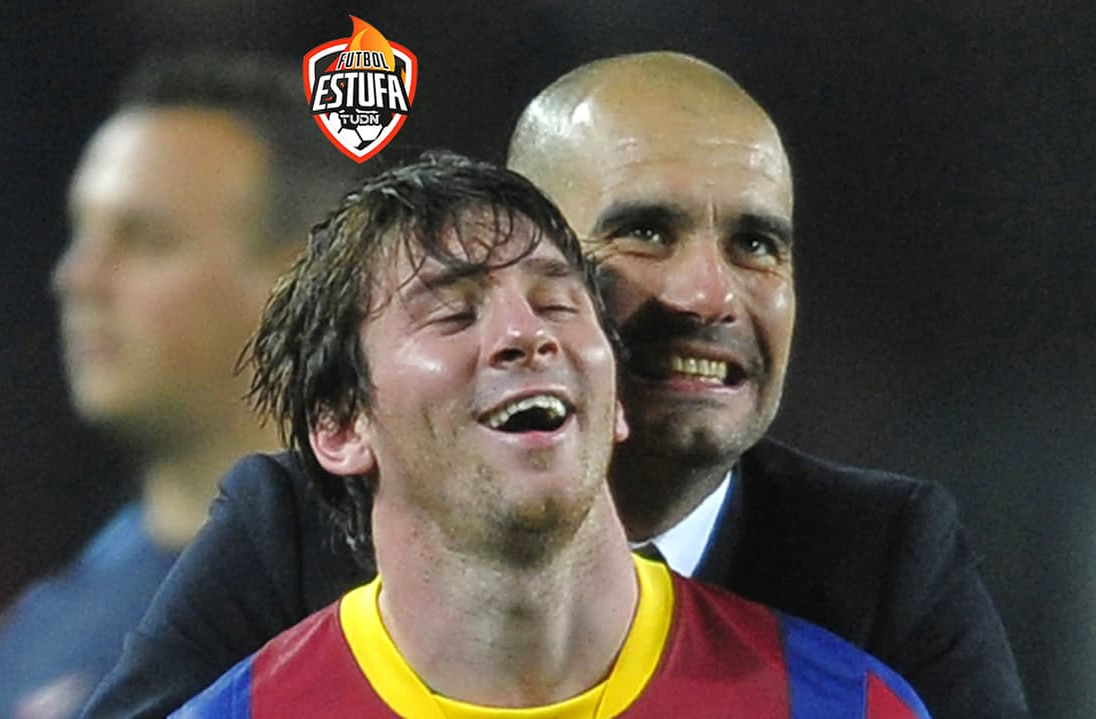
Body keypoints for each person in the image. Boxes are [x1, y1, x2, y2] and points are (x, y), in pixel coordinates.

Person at [82, 53, 1026, 719]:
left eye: (756, 243)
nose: (709, 294)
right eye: (646, 232)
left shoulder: (880, 570)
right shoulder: (294, 530)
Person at [170, 151, 930, 717]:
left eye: (559, 304)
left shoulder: (839, 705)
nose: (526, 335)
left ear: (616, 399)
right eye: (453, 313)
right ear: (340, 426)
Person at [0, 53, 356, 719]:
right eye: (82, 233)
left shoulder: (427, 603)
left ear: (299, 281)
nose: (78, 278)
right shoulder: (34, 638)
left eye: (144, 239)